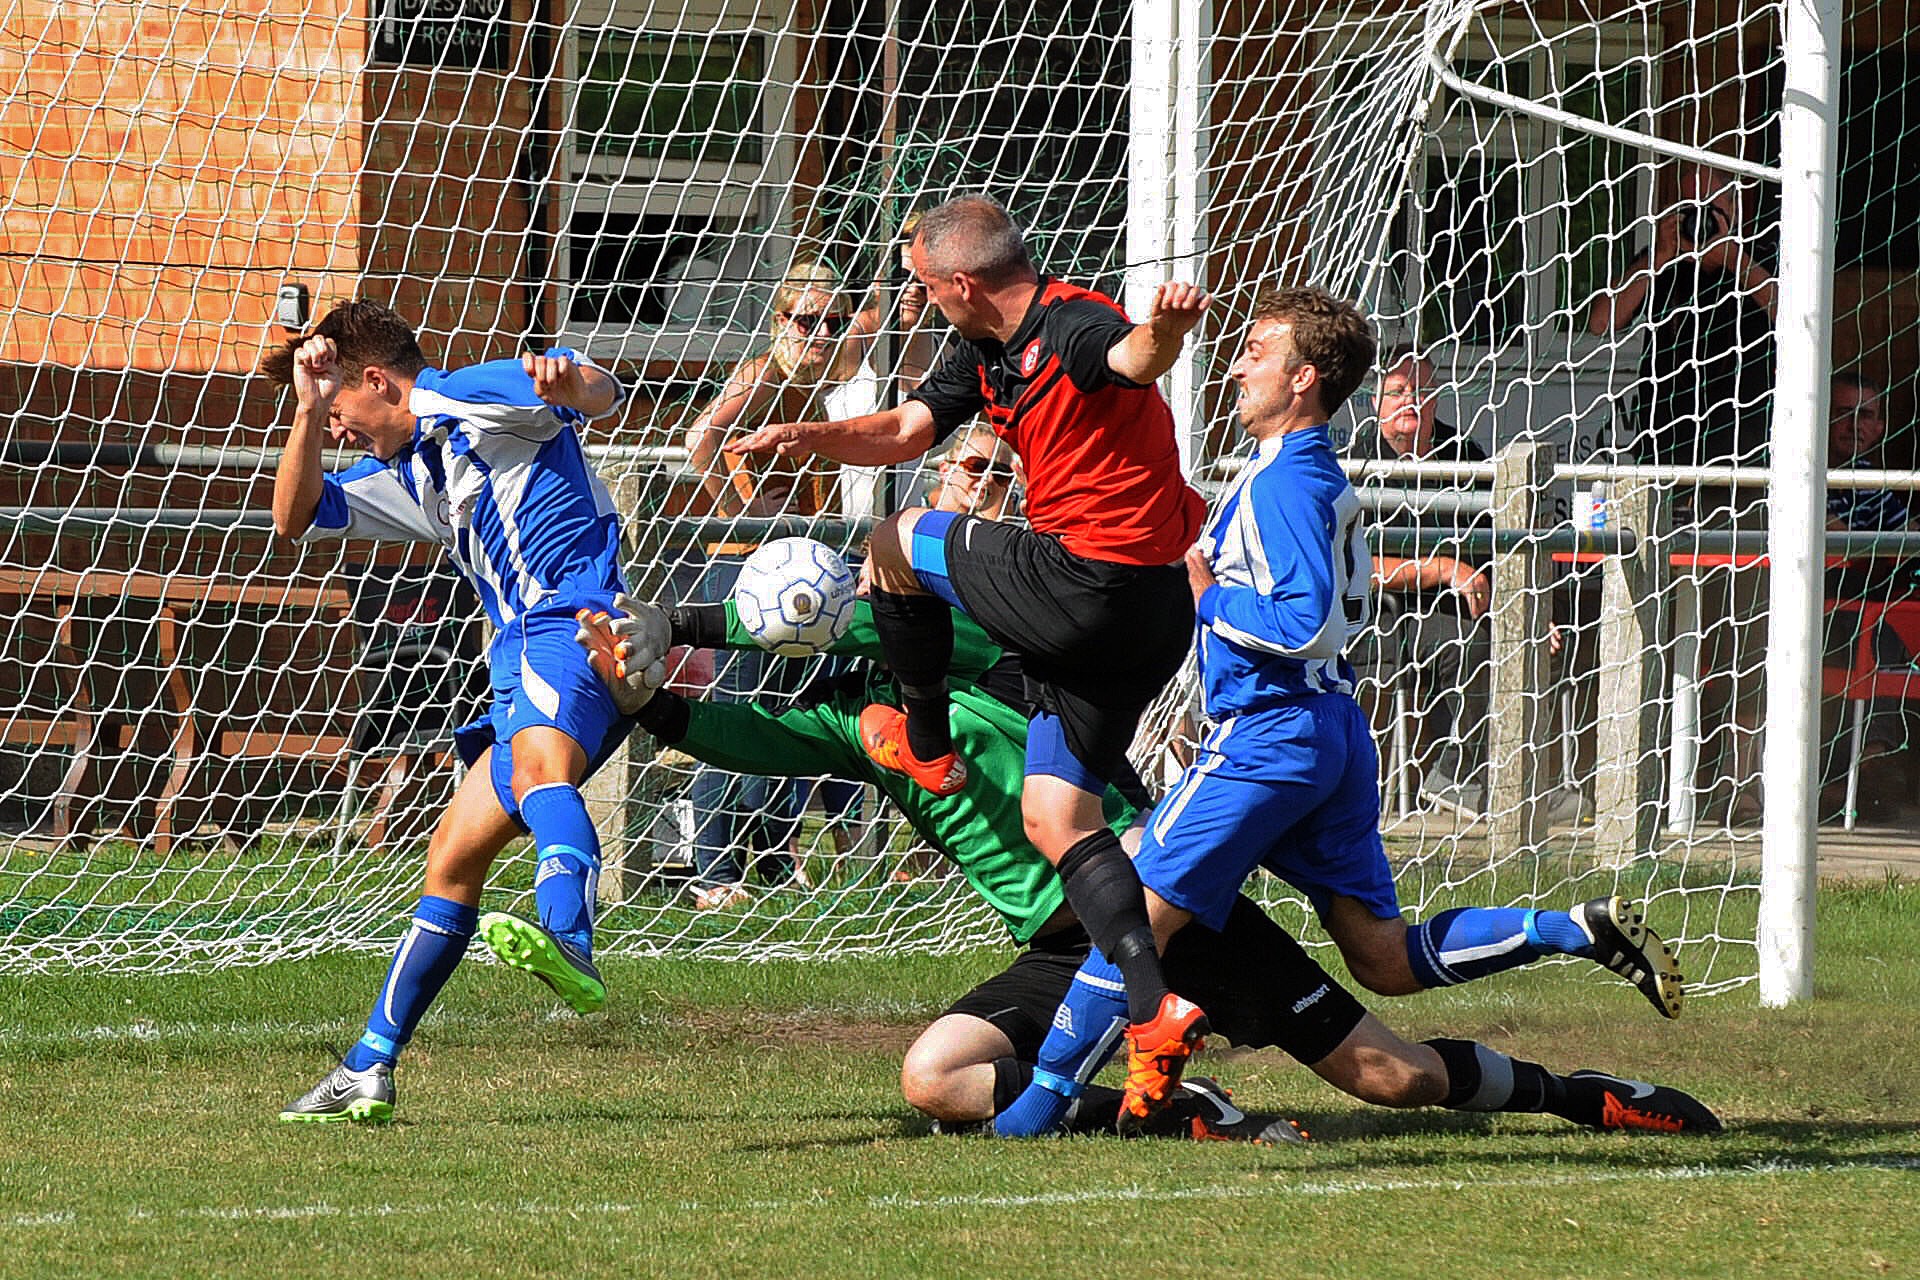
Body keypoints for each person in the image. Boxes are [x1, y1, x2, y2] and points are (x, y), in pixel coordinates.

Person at [578, 596, 1719, 1140]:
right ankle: (1189, 1104)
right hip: (1058, 937)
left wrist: (818, 601)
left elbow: (925, 616)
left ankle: (1587, 1095)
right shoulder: (844, 719)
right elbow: (725, 733)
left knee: (1396, 1079)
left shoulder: (984, 649)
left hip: (1164, 900)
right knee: (933, 1078)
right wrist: (643, 685)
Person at [994, 286, 1688, 1138]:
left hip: (1267, 739)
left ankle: (1029, 1116)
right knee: (1383, 960)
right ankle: (1565, 929)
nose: (1239, 364)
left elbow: (1303, 620)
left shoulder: (1290, 481)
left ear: (1304, 379)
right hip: (1324, 735)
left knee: (1134, 917)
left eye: (1257, 351)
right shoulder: (1294, 472)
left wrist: (1205, 597)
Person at [729, 194, 1213, 1123]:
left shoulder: (1076, 323)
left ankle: (925, 738)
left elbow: (1129, 361)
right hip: (1146, 618)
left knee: (900, 538)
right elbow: (910, 430)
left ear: (960, 282)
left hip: (1091, 579)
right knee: (1058, 814)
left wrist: (1168, 332)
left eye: (919, 286)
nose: (913, 304)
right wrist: (806, 436)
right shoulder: (977, 349)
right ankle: (1155, 1009)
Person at [264, 300, 633, 1123]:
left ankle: (571, 932)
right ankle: (368, 1068)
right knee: (452, 860)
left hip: (571, 628)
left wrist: (575, 377)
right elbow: (294, 518)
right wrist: (308, 407)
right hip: (519, 652)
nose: (339, 432)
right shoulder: (405, 471)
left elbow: (592, 390)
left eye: (341, 406)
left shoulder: (465, 393)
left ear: (375, 379)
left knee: (541, 771)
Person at [676, 260, 927, 907]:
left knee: (787, 712)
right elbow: (700, 438)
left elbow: (882, 327)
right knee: (736, 710)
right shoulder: (765, 376)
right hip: (747, 565)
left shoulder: (813, 378)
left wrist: (902, 279)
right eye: (807, 320)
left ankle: (770, 861)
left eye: (832, 322)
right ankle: (713, 873)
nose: (821, 334)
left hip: (791, 565)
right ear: (780, 320)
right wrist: (739, 508)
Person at [1590, 165, 1778, 820]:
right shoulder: (1658, 256)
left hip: (1744, 468)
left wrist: (1736, 261)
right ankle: (1642, 774)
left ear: (1743, 202)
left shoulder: (1773, 250)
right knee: (1656, 624)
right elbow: (1601, 320)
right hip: (1663, 463)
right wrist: (1667, 253)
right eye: (1694, 199)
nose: (1706, 211)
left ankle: (1738, 781)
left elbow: (1798, 316)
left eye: (1719, 199)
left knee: (1742, 632)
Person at [1346, 347, 1493, 816]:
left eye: (1422, 390)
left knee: (1481, 644)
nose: (1411, 400)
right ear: (1375, 402)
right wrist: (1442, 568)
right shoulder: (1352, 461)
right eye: (1398, 391)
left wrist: (1531, 611)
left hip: (1447, 611)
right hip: (1369, 611)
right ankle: (1347, 797)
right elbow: (1354, 565)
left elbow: (1497, 547)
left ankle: (1459, 781)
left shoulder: (1466, 456)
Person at [1821, 371, 1916, 820]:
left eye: (1867, 415)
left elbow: (1900, 538)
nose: (1855, 425)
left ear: (1880, 426)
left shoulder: (1872, 479)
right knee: (1888, 622)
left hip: (1877, 603)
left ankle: (1876, 765)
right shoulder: (1807, 471)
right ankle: (1872, 761)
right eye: (1844, 414)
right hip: (1825, 613)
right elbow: (1845, 543)